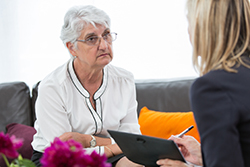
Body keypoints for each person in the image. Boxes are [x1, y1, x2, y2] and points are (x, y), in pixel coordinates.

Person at [31, 5, 143, 167]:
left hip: (114, 152)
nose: (104, 45)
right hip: (58, 161)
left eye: (106, 35)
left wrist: (87, 140)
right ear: (71, 47)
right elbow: (65, 152)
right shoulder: (52, 87)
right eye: (91, 39)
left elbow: (132, 139)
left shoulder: (124, 80)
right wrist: (111, 148)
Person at [157, 0, 250, 166]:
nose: (188, 31)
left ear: (204, 27)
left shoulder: (213, 88)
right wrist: (206, 156)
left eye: (189, 21)